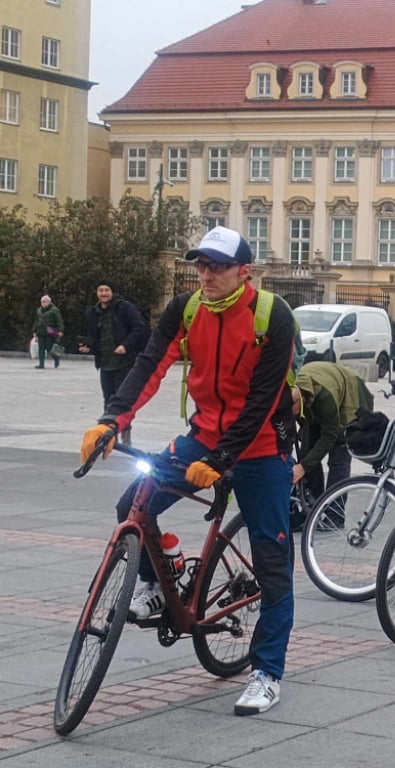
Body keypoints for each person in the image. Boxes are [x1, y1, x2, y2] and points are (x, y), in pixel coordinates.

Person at [79, 226, 297, 716]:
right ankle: (160, 584)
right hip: (203, 434)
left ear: (245, 272)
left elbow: (263, 401)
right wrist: (113, 419)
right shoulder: (187, 308)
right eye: (200, 264)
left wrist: (221, 462)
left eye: (217, 266)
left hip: (261, 446)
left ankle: (266, 672)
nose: (206, 274)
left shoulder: (272, 315)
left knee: (271, 557)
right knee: (132, 503)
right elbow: (150, 365)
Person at [78, 280, 150, 446]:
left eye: (106, 290)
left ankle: (125, 431)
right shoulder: (93, 312)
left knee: (122, 398)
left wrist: (126, 345)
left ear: (112, 292)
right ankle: (109, 433)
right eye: (100, 290)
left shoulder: (124, 307)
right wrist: (89, 348)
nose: (103, 293)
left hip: (124, 361)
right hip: (105, 361)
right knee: (107, 398)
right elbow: (96, 337)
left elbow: (139, 327)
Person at [291, 360, 370, 498]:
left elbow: (330, 435)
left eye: (292, 411)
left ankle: (334, 513)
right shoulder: (292, 395)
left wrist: (303, 467)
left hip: (351, 400)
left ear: (301, 400)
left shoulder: (326, 398)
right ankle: (313, 505)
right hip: (320, 397)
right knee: (307, 453)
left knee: (338, 458)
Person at [33, 295, 64, 369]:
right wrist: (34, 331)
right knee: (41, 348)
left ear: (49, 302)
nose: (43, 303)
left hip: (50, 331)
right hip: (40, 331)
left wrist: (60, 330)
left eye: (44, 302)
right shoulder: (39, 310)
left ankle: (56, 358)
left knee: (49, 347)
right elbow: (36, 322)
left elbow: (59, 320)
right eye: (42, 302)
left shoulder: (54, 310)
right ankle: (41, 364)